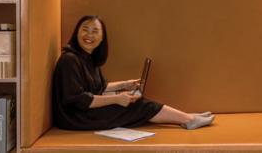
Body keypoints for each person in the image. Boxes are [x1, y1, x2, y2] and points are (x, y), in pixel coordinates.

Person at [52, 15, 215, 131]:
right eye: (85, 29)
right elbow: (79, 100)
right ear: (76, 32)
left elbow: (100, 87)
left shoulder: (88, 58)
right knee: (137, 104)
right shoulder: (70, 60)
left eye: (95, 31)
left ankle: (185, 116)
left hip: (83, 112)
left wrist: (125, 84)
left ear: (102, 38)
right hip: (75, 118)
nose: (89, 35)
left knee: (133, 102)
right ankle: (188, 119)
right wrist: (116, 98)